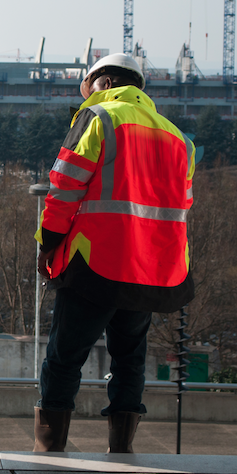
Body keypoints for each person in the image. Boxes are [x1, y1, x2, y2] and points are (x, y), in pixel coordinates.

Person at [33, 53, 195, 453]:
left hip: (96, 263)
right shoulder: (178, 138)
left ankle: (49, 448)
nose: (85, 97)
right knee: (130, 359)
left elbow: (64, 189)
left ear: (103, 83)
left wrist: (46, 245)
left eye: (85, 89)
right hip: (148, 268)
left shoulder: (99, 119)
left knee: (64, 356)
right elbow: (181, 204)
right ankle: (122, 449)